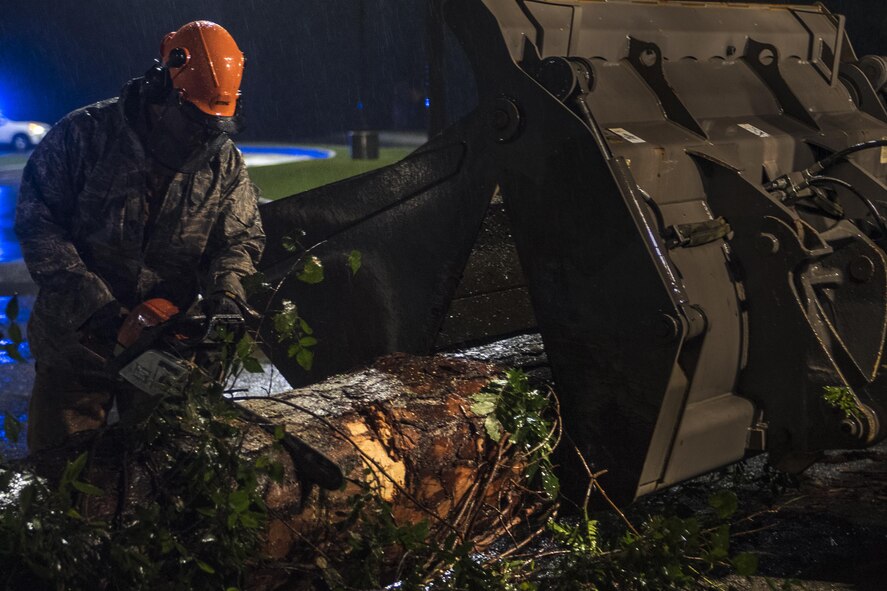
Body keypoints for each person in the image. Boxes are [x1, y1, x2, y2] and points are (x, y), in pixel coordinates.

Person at [15, 21, 265, 453]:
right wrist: (103, 311)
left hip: (165, 352)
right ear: (160, 89)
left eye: (212, 126)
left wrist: (227, 293)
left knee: (164, 480)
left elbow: (238, 240)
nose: (199, 137)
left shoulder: (223, 163)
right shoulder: (84, 136)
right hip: (77, 347)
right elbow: (40, 225)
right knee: (62, 481)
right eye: (192, 120)